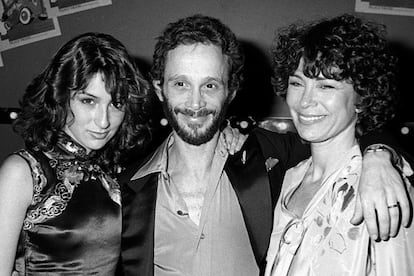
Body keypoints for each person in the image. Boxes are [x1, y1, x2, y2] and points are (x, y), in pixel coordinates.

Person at [119, 14, 412, 276]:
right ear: (159, 89)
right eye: (181, 84)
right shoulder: (125, 188)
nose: (195, 103)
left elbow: (357, 134)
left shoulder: (271, 157)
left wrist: (378, 154)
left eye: (210, 85)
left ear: (231, 91)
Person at [264, 14, 414, 275]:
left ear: (362, 97)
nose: (305, 102)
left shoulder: (381, 188)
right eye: (297, 83)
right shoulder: (290, 177)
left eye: (326, 86)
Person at [0, 32, 151, 274]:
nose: (103, 121)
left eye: (116, 104)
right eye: (88, 101)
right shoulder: (22, 172)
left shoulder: (113, 175)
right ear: (60, 97)